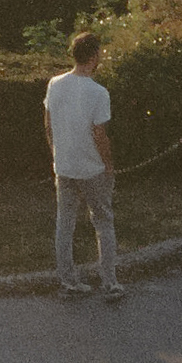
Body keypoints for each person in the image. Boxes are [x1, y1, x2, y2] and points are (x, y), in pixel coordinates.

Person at [46, 28, 121, 303]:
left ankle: (68, 280)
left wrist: (56, 153)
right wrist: (109, 165)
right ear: (94, 56)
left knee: (64, 223)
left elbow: (48, 122)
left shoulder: (55, 84)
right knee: (103, 220)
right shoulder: (99, 93)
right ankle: (109, 281)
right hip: (91, 168)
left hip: (64, 165)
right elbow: (99, 135)